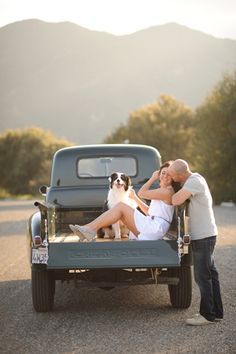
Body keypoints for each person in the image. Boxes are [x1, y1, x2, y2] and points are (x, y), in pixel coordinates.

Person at [168, 159, 223, 326]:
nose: (171, 178)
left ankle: (207, 315)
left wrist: (168, 190)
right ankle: (216, 312)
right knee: (211, 274)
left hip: (203, 237)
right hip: (206, 235)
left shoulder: (194, 182)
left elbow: (176, 200)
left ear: (181, 175)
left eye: (172, 176)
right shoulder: (194, 180)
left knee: (202, 276)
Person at [69, 161, 180, 241]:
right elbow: (149, 212)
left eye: (168, 174)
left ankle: (89, 229)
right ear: (160, 173)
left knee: (121, 206)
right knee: (120, 211)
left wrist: (152, 178)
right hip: (153, 226)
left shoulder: (167, 192)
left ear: (173, 177)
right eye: (163, 173)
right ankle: (88, 229)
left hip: (155, 228)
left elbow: (142, 193)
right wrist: (135, 198)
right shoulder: (163, 191)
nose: (165, 176)